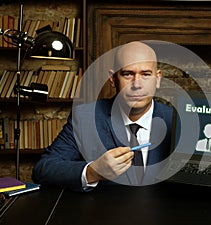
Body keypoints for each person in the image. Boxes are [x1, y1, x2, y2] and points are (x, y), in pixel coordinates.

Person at [32, 41, 173, 191]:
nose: (137, 84)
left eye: (145, 74)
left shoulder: (177, 121)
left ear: (157, 79)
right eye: (127, 74)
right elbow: (43, 169)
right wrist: (93, 171)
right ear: (113, 79)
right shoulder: (85, 117)